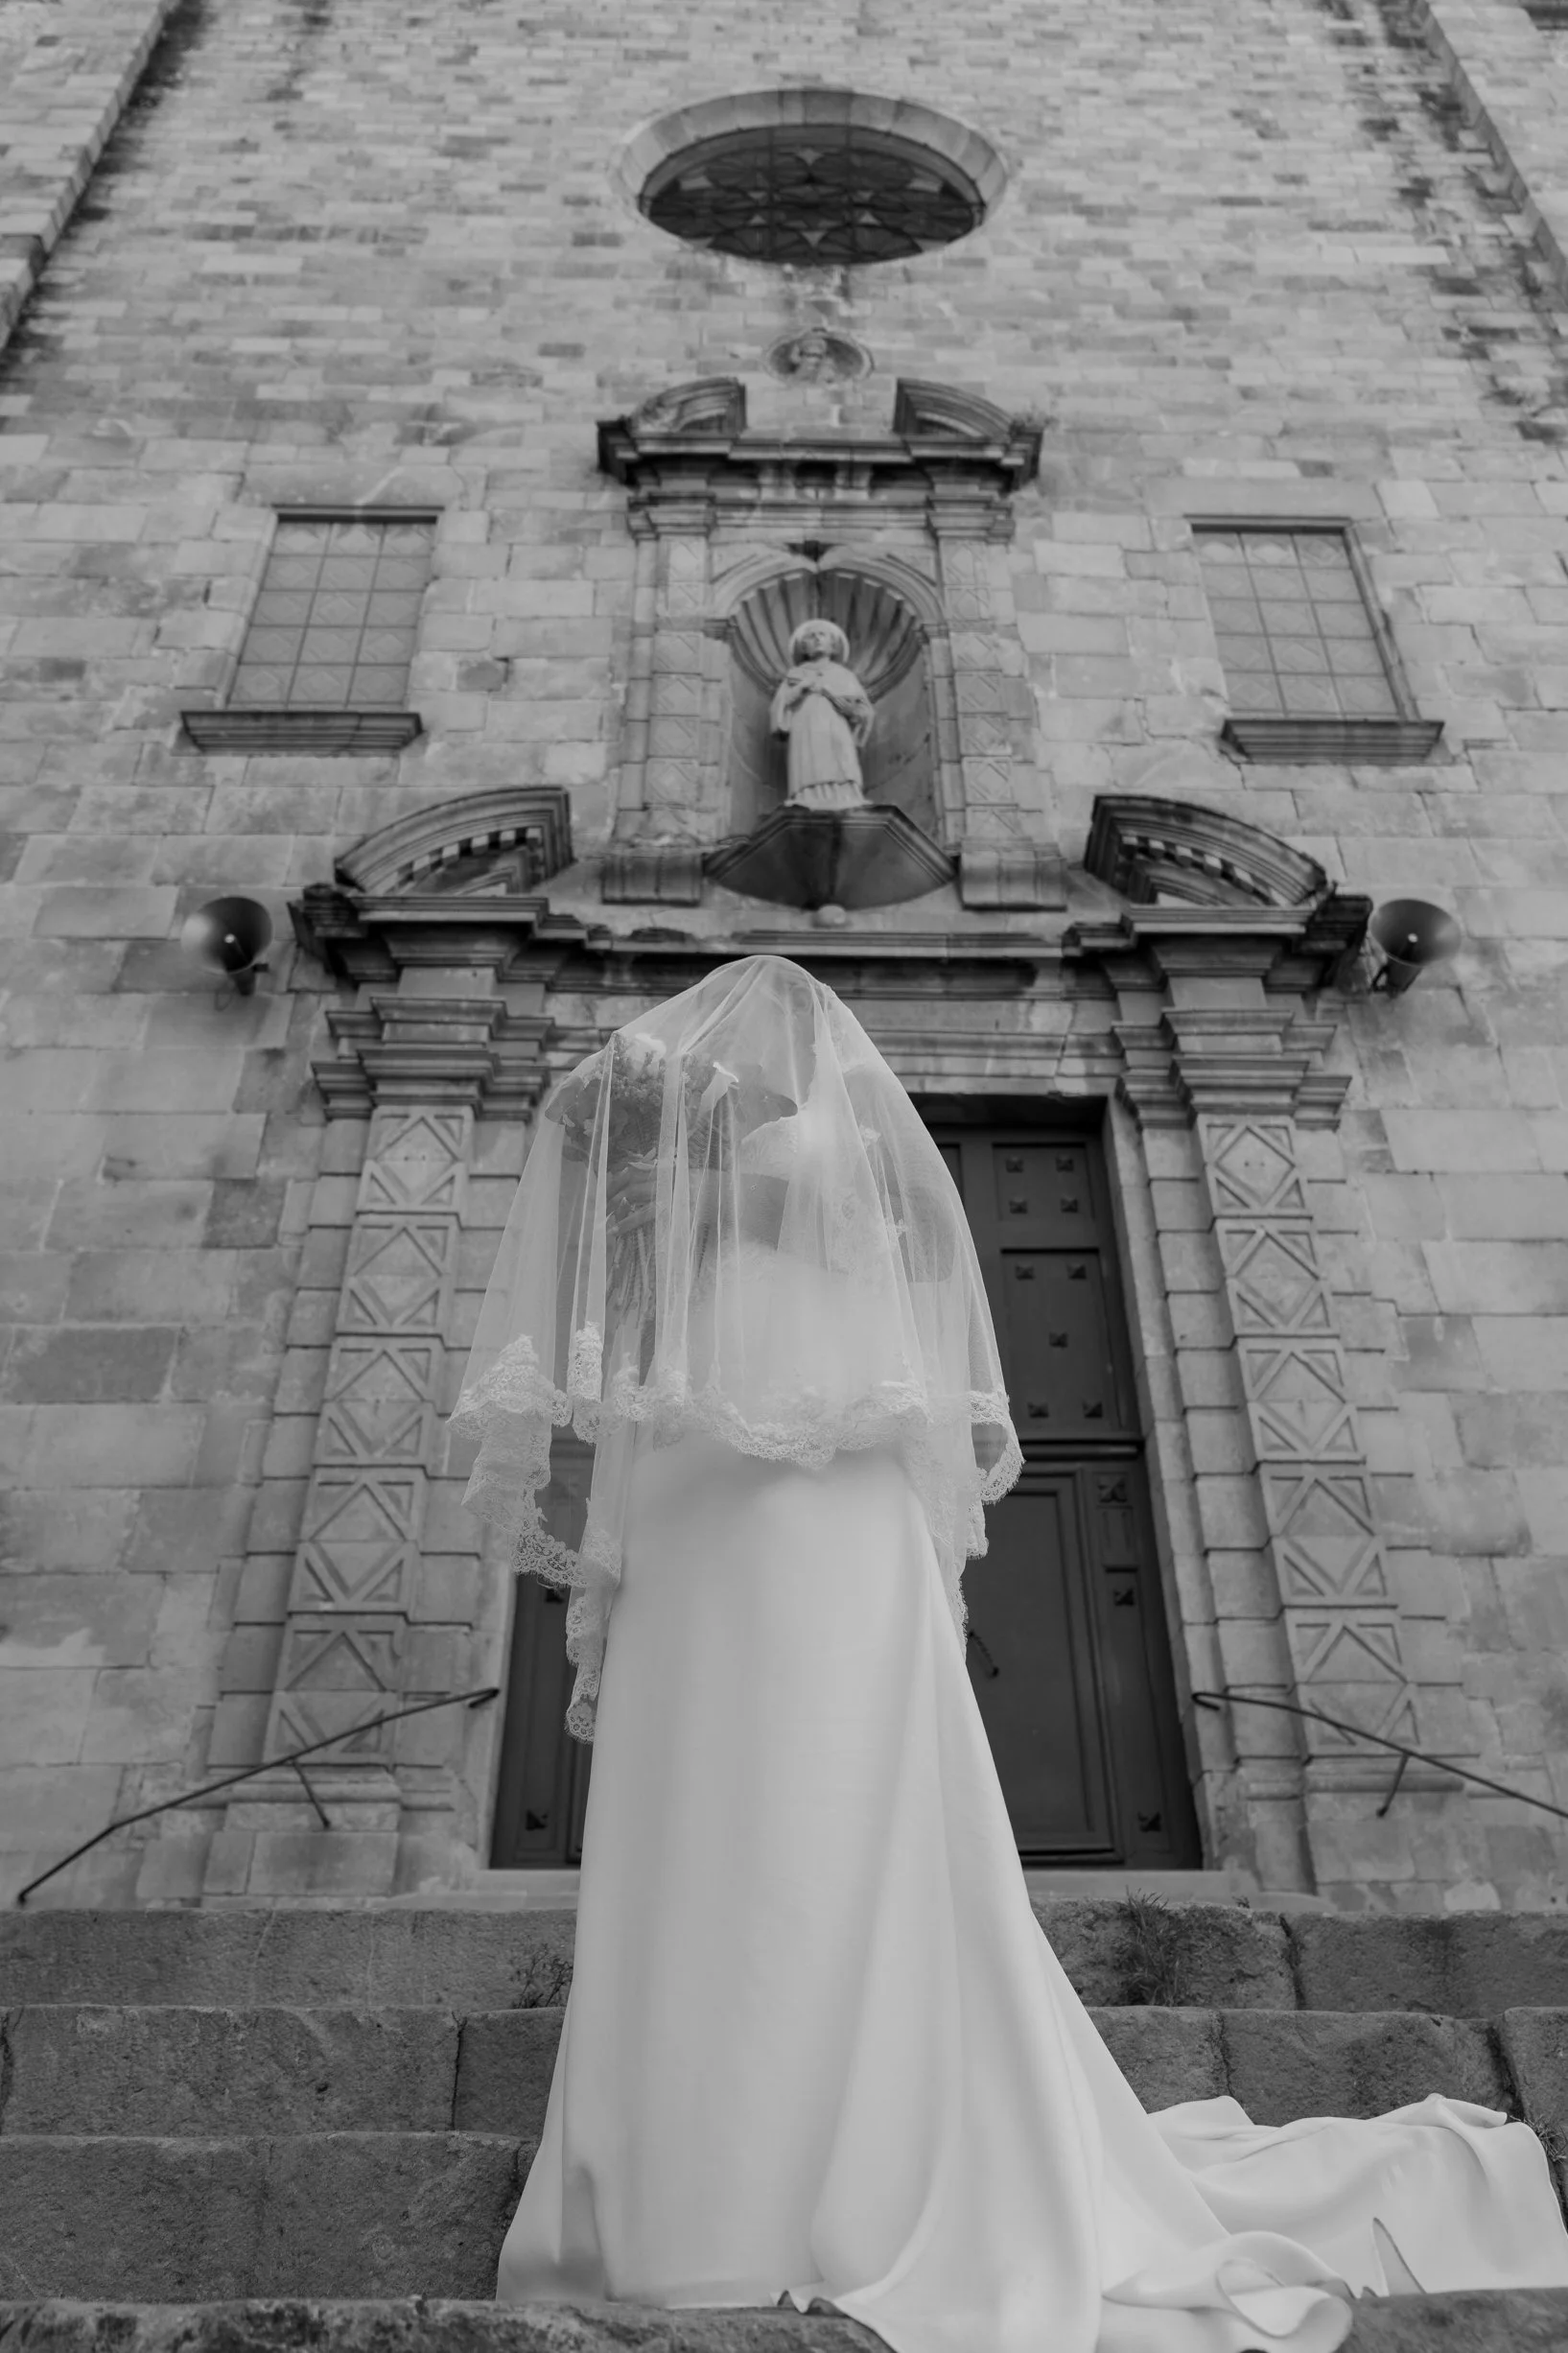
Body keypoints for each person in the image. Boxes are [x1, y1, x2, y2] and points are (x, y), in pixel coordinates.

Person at [448, 953, 1568, 2353]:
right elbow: (627, 1355)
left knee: (826, 1793)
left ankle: (830, 2162)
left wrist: (747, 1187)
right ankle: (681, 2169)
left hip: (821, 1486)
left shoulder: (843, 1122)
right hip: (693, 1493)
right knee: (703, 1808)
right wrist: (638, 1202)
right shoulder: (654, 1163)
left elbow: (922, 1245)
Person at [770, 618, 875, 811]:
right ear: (804, 647)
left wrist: (852, 711)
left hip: (836, 724)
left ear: (833, 646)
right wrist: (802, 687)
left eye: (822, 635)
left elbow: (865, 711)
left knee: (841, 758)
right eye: (811, 637)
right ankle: (807, 795)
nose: (817, 639)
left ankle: (846, 795)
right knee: (809, 758)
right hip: (805, 722)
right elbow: (780, 705)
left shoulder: (844, 675)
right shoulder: (796, 674)